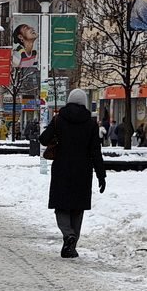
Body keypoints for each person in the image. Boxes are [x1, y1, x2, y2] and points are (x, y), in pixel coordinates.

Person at [39, 89, 106, 258]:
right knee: (77, 208)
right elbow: (96, 151)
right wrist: (101, 175)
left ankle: (68, 235)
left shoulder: (59, 120)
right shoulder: (91, 124)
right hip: (83, 171)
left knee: (61, 206)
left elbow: (43, 139)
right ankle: (72, 245)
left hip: (62, 167)